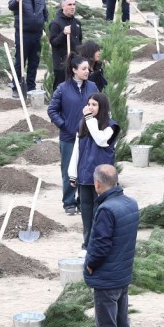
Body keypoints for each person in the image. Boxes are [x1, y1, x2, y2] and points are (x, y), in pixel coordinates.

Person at [79, 164, 140, 327]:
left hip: (107, 279)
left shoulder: (106, 209)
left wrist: (91, 263)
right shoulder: (130, 204)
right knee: (122, 325)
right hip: (123, 275)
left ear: (97, 184)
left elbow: (100, 245)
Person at [48, 55, 101, 215]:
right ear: (74, 70)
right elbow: (52, 110)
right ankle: (69, 203)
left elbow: (100, 106)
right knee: (69, 171)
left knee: (87, 170)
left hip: (89, 137)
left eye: (88, 68)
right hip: (69, 138)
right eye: (84, 69)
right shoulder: (62, 88)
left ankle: (83, 202)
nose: (87, 71)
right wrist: (64, 125)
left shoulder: (92, 87)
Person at [68, 93, 122, 246]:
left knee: (100, 213)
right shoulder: (83, 124)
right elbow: (76, 150)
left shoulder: (112, 127)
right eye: (89, 104)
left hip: (103, 179)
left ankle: (99, 245)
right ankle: (87, 245)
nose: (90, 107)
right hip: (85, 177)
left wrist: (89, 119)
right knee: (86, 214)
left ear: (102, 107)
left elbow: (100, 139)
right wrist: (73, 175)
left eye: (94, 105)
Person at [9, 0, 49, 95]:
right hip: (23, 33)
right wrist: (17, 0)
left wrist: (47, 30)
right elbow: (11, 6)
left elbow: (45, 14)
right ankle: (16, 87)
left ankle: (31, 86)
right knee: (20, 60)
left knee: (34, 61)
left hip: (37, 34)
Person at [48, 0, 85, 87]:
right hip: (62, 64)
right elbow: (54, 42)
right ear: (63, 6)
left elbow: (79, 41)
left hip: (75, 63)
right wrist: (63, 34)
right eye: (69, 4)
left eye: (74, 4)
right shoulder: (56, 23)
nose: (72, 7)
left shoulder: (77, 23)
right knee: (60, 89)